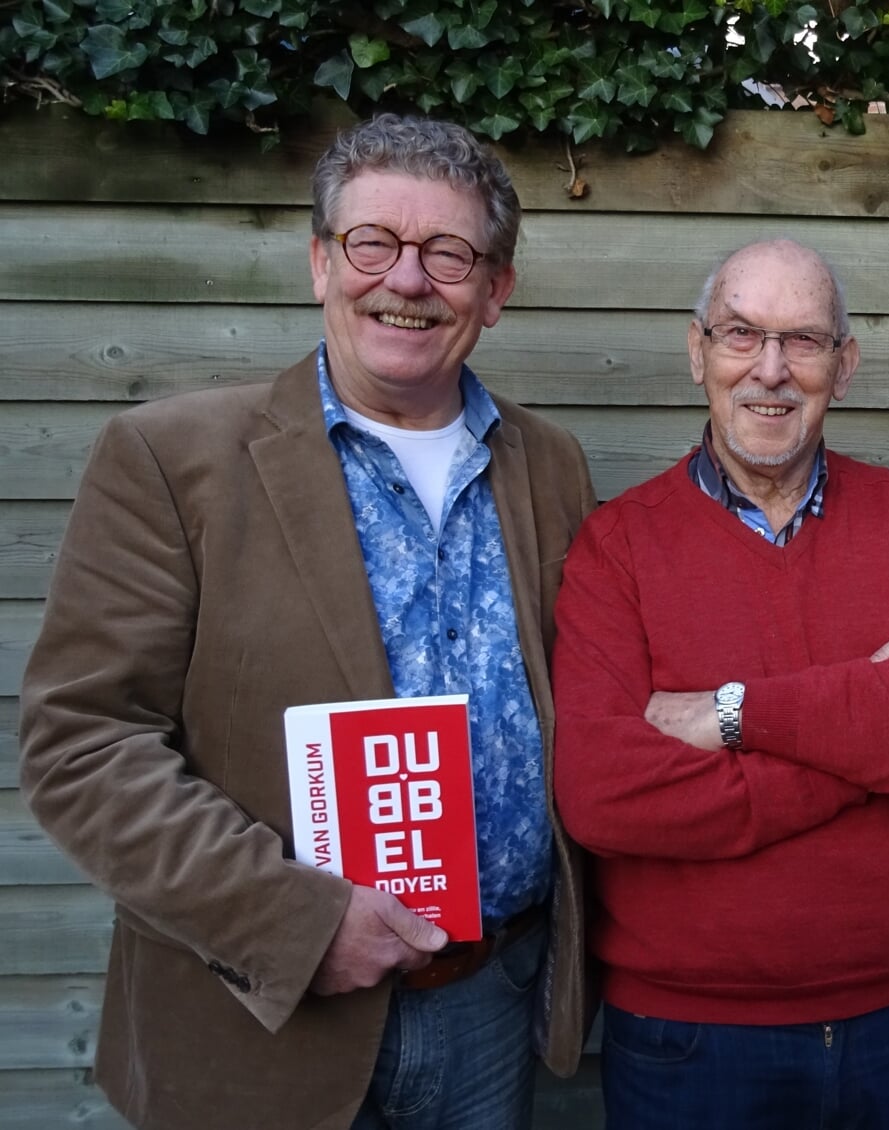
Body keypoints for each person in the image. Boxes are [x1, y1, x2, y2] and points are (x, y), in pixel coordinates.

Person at [18, 114, 597, 1130]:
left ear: (496, 289)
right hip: (260, 1019)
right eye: (373, 241)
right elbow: (82, 744)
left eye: (448, 254)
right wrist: (295, 922)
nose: (406, 280)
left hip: (487, 1006)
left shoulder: (549, 467)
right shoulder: (172, 460)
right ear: (321, 262)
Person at [550, 238, 889, 1128]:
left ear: (845, 364)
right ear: (697, 353)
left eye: (802, 340)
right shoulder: (618, 546)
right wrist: (870, 741)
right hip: (690, 1040)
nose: (770, 370)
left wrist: (734, 715)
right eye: (740, 335)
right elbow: (604, 794)